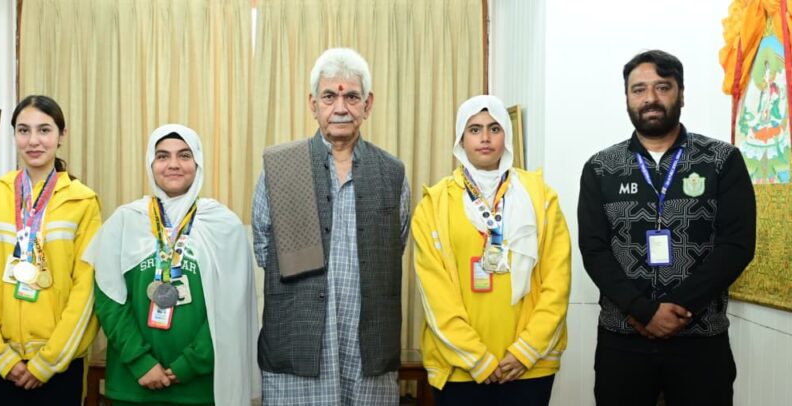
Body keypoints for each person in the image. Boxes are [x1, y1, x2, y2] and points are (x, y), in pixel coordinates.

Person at [577, 50, 756, 406]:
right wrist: (642, 310)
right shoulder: (601, 168)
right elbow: (594, 250)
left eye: (662, 87)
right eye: (639, 89)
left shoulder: (720, 160)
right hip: (623, 340)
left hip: (700, 339)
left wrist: (678, 307)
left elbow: (736, 245)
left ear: (681, 94)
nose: (651, 98)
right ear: (627, 98)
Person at [252, 47, 411, 405]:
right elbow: (263, 247)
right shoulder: (282, 167)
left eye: (351, 97)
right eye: (329, 97)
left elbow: (396, 242)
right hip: (297, 343)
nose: (341, 108)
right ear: (313, 104)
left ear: (367, 105)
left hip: (367, 348)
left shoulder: (391, 173)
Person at [412, 95, 571, 405]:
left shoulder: (541, 197)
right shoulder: (433, 204)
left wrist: (526, 350)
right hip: (459, 368)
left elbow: (558, 282)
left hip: (529, 365)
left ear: (506, 136)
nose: (485, 138)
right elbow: (435, 294)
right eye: (474, 129)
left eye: (494, 128)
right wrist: (475, 357)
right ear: (461, 138)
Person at [84, 124, 257, 405]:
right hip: (133, 385)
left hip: (201, 388)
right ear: (150, 164)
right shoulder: (125, 221)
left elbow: (233, 307)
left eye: (184, 155)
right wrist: (140, 361)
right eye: (162, 156)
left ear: (198, 163)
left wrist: (191, 363)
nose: (173, 164)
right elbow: (109, 300)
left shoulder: (225, 225)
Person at [0, 95, 102, 404]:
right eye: (24, 130)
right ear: (14, 135)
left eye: (44, 130)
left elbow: (87, 288)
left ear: (62, 135)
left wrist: (47, 362)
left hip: (59, 365)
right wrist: (0, 357)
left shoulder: (82, 201)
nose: (33, 140)